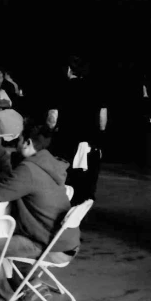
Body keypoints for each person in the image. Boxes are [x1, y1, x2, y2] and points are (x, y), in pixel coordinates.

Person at [0, 124, 76, 301]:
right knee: (9, 245)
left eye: (19, 139)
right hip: (66, 244)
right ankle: (33, 285)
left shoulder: (28, 170)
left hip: (48, 246)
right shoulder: (50, 164)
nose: (16, 144)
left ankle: (4, 299)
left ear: (27, 142)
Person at [47, 56, 107, 204]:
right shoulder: (97, 89)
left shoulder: (62, 88)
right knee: (88, 180)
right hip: (90, 142)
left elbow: (53, 119)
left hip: (66, 142)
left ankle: (65, 206)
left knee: (67, 178)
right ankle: (83, 209)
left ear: (69, 70)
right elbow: (103, 121)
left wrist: (50, 130)